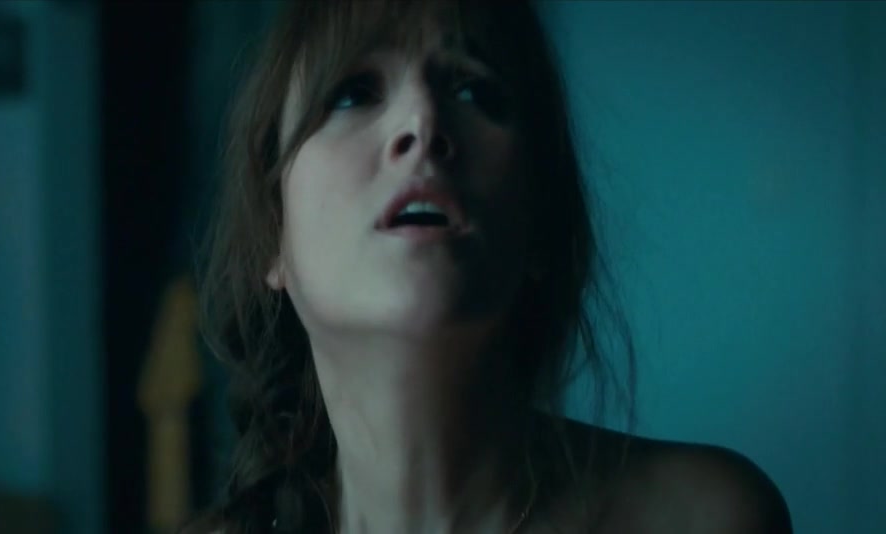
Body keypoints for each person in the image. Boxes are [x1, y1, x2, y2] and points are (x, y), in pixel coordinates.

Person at [188, 1, 791, 533]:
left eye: (476, 91)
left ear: (540, 224)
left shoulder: (706, 518)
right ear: (273, 235)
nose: (421, 121)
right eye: (353, 93)